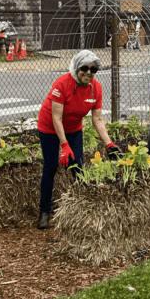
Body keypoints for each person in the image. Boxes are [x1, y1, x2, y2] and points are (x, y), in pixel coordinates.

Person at [37, 50, 121, 230]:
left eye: (93, 69)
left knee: (78, 166)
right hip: (50, 128)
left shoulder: (96, 88)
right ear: (76, 67)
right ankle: (45, 210)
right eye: (84, 68)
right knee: (51, 166)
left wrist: (109, 144)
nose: (89, 73)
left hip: (74, 129)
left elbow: (97, 119)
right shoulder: (62, 84)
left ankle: (81, 207)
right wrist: (64, 145)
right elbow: (56, 118)